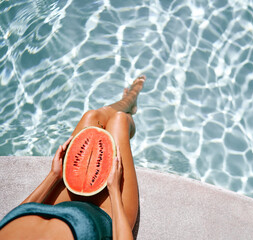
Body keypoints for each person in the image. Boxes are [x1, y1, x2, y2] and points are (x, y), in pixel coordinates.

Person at [0, 75, 146, 240]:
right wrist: (113, 190)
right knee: (119, 120)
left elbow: (20, 214)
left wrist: (54, 176)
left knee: (91, 116)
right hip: (109, 212)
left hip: (59, 204)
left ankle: (129, 100)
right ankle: (130, 105)